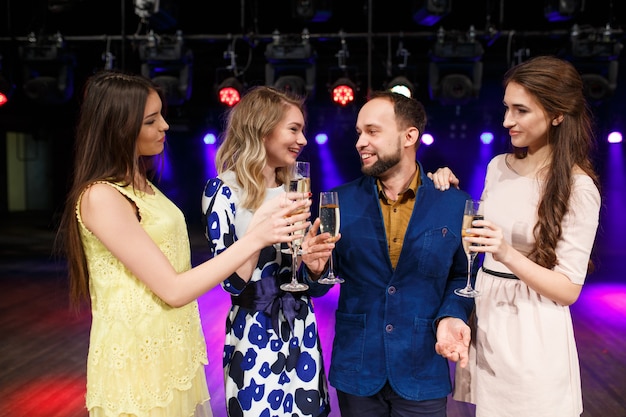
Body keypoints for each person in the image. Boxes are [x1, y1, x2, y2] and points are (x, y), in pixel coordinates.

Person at [55, 71, 311, 417]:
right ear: (119, 127)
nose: (165, 126)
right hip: (137, 359)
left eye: (161, 115)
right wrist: (256, 238)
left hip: (173, 352)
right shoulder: (102, 196)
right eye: (151, 120)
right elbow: (174, 290)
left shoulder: (144, 188)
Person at [431, 55, 602, 417]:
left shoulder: (579, 187)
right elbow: (480, 231)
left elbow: (568, 290)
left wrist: (506, 252)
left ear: (557, 114)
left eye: (520, 110)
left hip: (532, 330)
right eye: (507, 108)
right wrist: (450, 195)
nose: (507, 120)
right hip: (489, 318)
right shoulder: (498, 166)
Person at [304, 90, 475, 417]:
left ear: (409, 135)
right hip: (357, 371)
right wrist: (312, 270)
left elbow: (462, 275)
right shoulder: (339, 201)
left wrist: (452, 314)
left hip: (422, 368)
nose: (360, 142)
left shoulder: (453, 203)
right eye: (358, 133)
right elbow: (318, 284)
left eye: (372, 131)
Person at [201, 86, 335, 417]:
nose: (303, 139)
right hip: (254, 333)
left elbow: (307, 284)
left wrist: (314, 267)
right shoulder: (223, 191)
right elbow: (232, 283)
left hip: (300, 328)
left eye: (302, 130)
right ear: (262, 128)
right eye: (294, 129)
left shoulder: (294, 190)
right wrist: (259, 230)